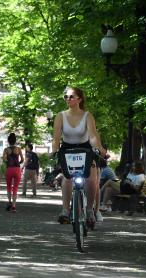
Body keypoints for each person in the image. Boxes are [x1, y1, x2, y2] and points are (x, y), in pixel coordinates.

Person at [51, 86, 107, 226]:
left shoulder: (87, 115)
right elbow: (56, 137)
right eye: (66, 97)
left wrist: (100, 148)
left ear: (79, 99)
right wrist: (54, 149)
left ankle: (89, 210)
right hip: (67, 148)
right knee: (67, 177)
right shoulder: (60, 116)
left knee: (92, 178)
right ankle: (65, 210)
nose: (67, 99)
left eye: (71, 96)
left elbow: (93, 136)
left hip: (85, 148)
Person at [2, 133, 24, 212]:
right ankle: (14, 206)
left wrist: (8, 162)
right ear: (15, 141)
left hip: (9, 169)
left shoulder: (6, 150)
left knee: (8, 186)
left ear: (8, 141)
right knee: (15, 187)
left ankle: (9, 202)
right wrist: (18, 163)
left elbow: (4, 159)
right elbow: (22, 159)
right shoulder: (18, 149)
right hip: (17, 169)